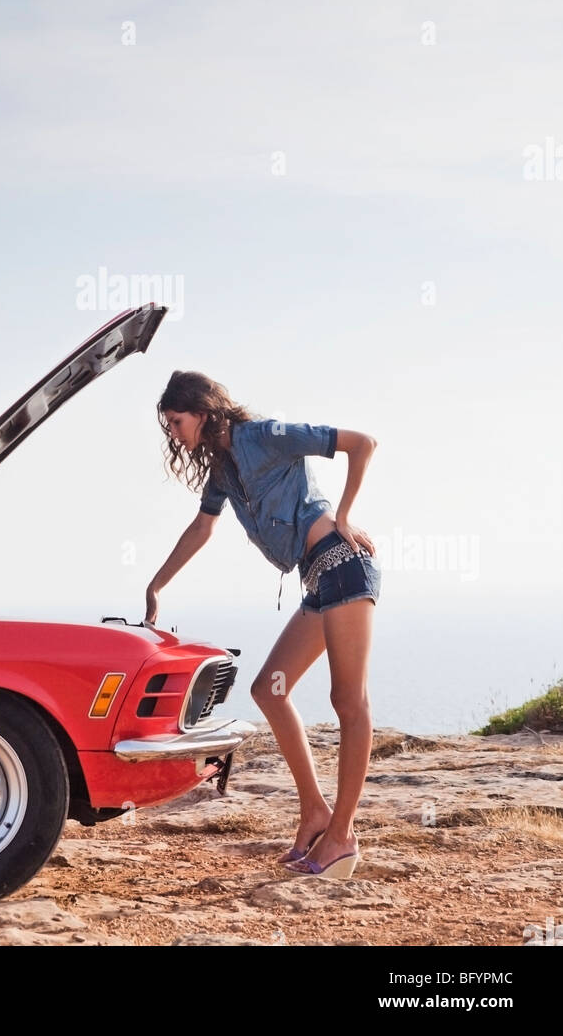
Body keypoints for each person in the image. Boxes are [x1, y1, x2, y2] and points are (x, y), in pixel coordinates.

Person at [145, 369, 381, 880]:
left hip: (342, 563)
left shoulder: (264, 436)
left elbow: (362, 443)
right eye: (169, 424)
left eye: (178, 421)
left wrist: (343, 515)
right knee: (269, 689)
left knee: (349, 702)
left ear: (203, 413)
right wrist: (156, 585)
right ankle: (315, 812)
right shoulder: (224, 469)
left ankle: (341, 838)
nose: (174, 433)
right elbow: (201, 526)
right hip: (317, 580)